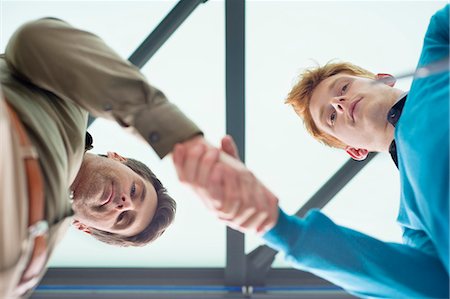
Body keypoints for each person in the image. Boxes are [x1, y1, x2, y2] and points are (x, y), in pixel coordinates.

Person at [173, 4, 449, 298]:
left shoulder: (439, 46)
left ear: (383, 78)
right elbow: (429, 288)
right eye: (331, 117)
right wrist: (279, 229)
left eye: (343, 87)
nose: (340, 103)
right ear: (354, 150)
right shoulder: (416, 225)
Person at [0, 18, 229, 298]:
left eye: (123, 219)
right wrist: (182, 140)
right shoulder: (68, 105)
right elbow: (34, 39)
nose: (125, 204)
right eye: (135, 190)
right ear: (118, 157)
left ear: (85, 228)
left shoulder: (27, 269)